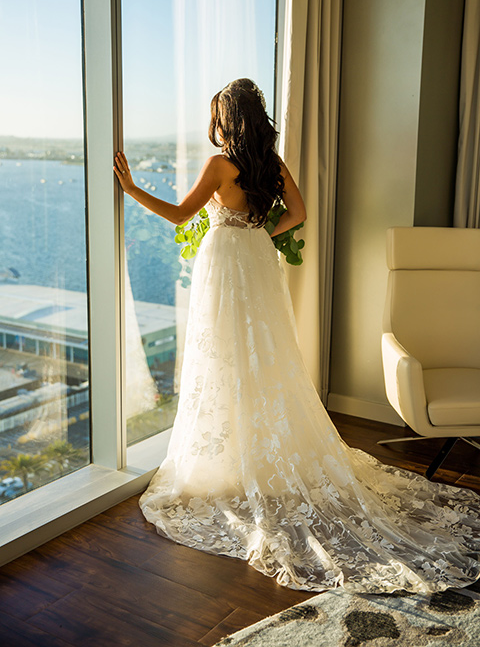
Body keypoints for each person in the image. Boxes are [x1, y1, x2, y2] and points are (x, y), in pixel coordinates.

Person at [114, 77, 480, 594]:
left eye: (217, 114)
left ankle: (229, 457)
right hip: (258, 261)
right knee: (265, 355)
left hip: (225, 263)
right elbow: (300, 214)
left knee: (222, 356)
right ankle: (256, 450)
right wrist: (261, 235)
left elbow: (179, 215)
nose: (213, 123)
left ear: (227, 119)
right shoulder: (270, 162)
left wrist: (130, 189)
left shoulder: (221, 164)